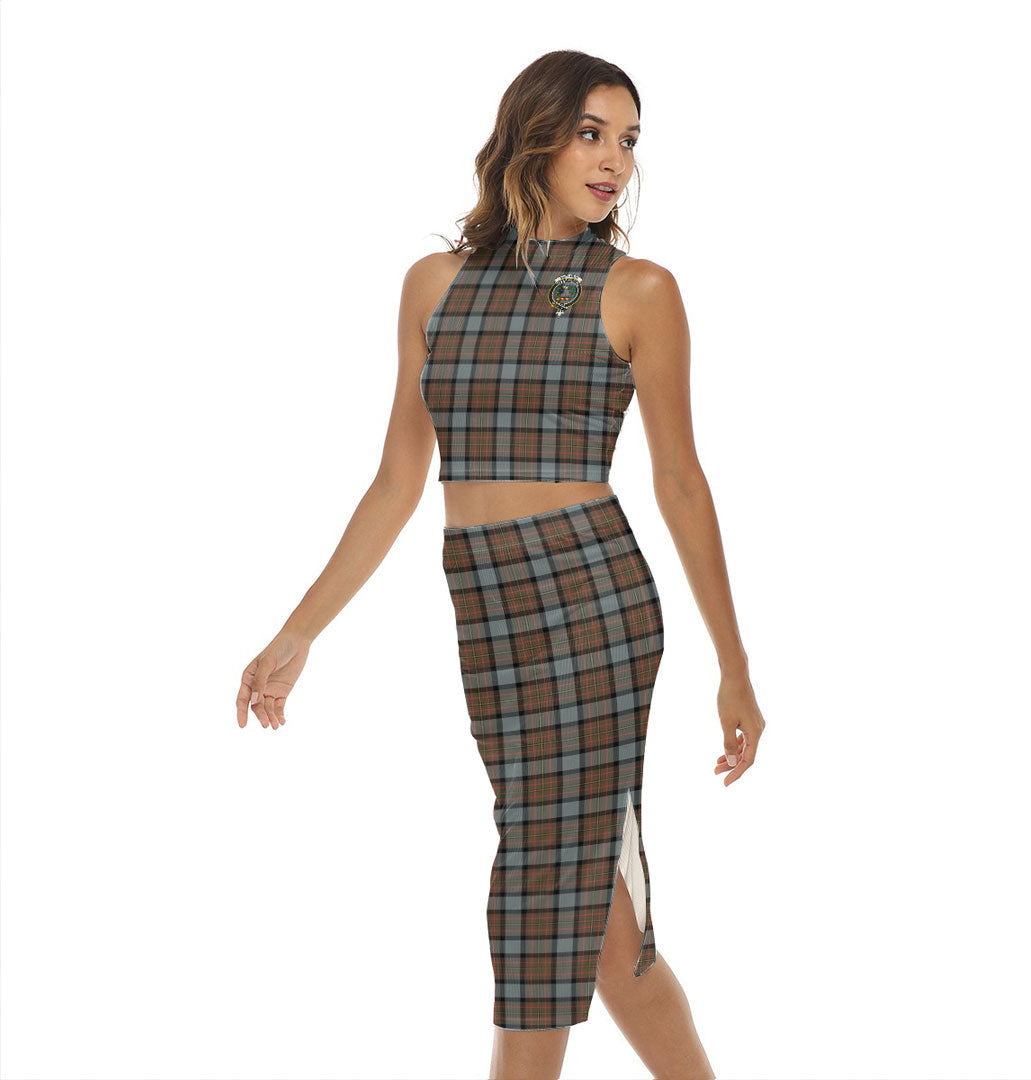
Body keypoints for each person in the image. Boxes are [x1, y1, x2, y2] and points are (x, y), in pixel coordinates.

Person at [236, 49, 765, 1080]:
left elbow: (682, 483)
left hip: (591, 603)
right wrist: (298, 632)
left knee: (536, 896)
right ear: (534, 135)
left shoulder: (640, 291)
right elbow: (398, 481)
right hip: (488, 609)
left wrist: (733, 666)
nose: (614, 161)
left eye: (629, 141)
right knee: (596, 926)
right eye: (591, 134)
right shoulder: (434, 285)